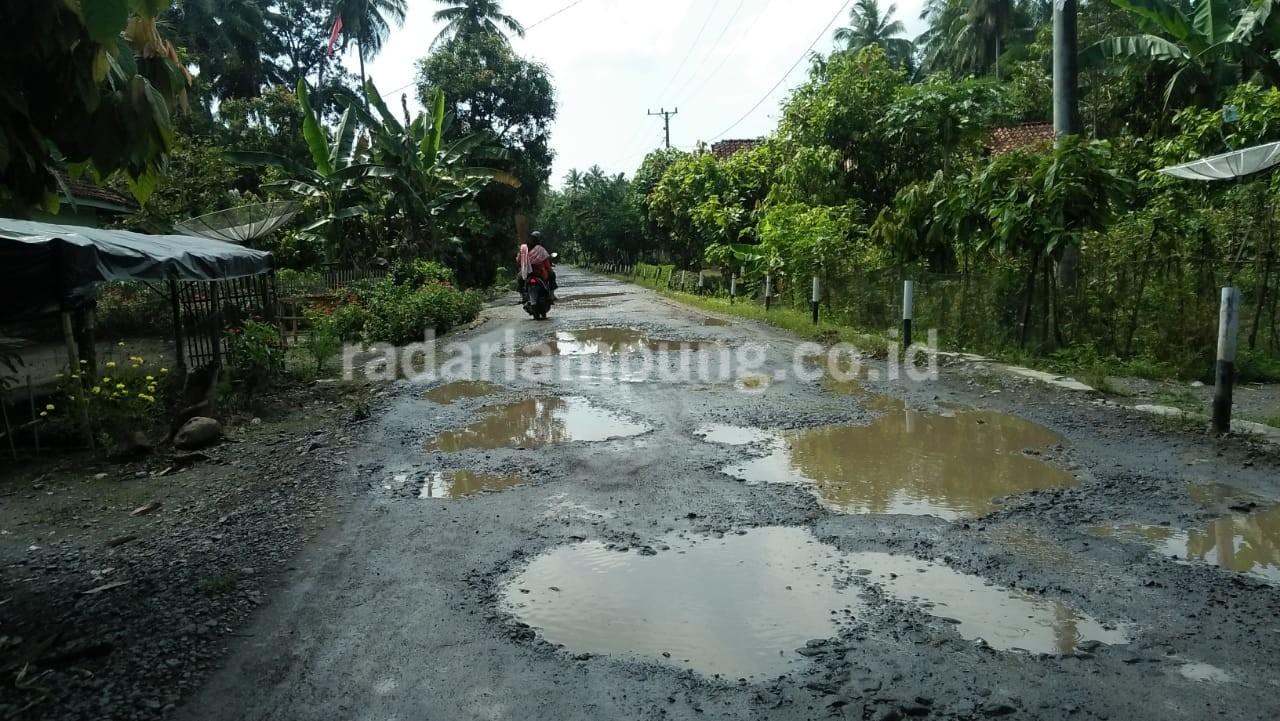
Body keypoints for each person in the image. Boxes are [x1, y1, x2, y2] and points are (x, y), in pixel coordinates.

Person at [526, 231, 558, 301]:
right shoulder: (541, 249)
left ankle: (522, 297)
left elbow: (519, 260)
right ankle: (551, 295)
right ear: (539, 240)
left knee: (519, 278)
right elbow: (546, 261)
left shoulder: (525, 248)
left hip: (527, 273)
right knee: (552, 274)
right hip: (540, 272)